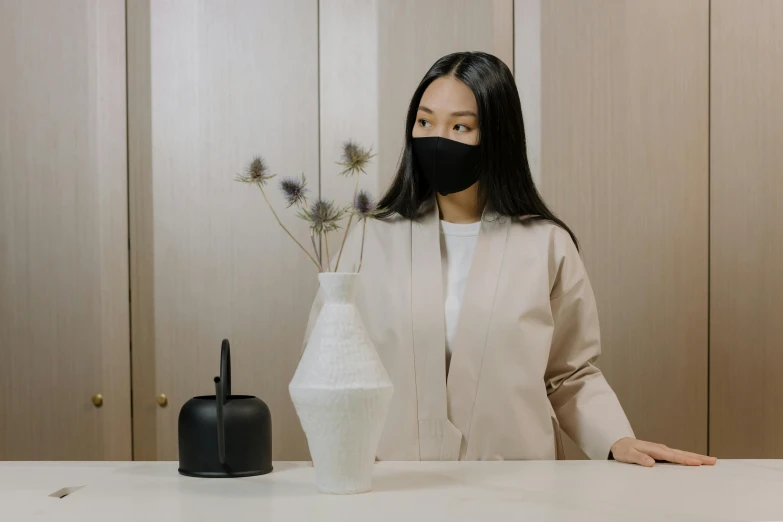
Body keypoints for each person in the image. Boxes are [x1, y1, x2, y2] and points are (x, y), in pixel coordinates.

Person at [306, 51, 716, 467]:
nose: (436, 138)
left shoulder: (546, 246)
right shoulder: (369, 240)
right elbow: (325, 361)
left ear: (496, 137)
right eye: (425, 122)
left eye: (460, 126)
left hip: (519, 486)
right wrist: (344, 455)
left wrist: (616, 440)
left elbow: (570, 375)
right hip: (396, 485)